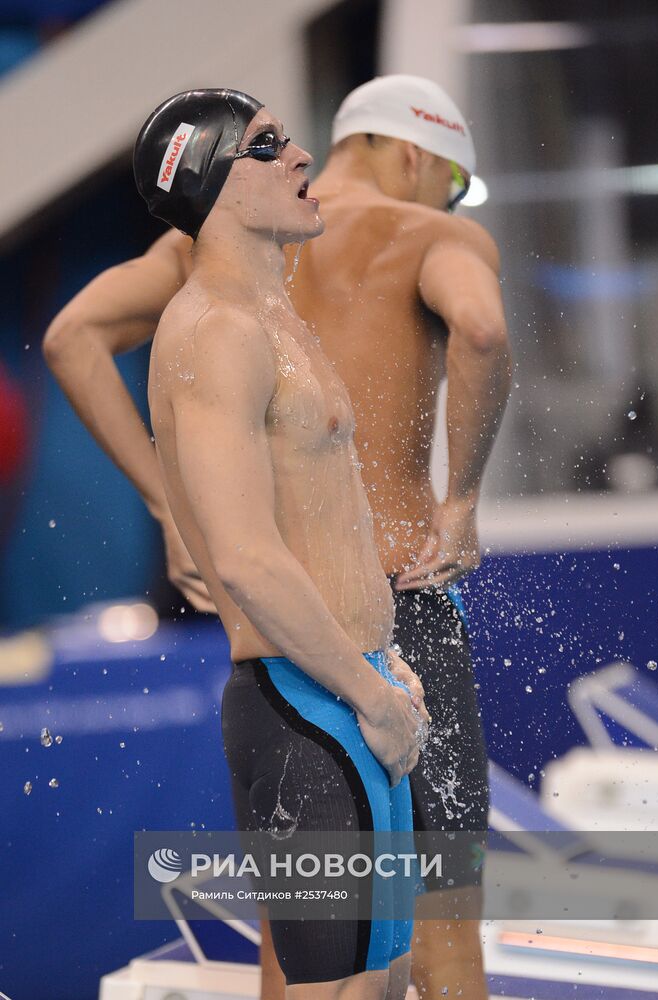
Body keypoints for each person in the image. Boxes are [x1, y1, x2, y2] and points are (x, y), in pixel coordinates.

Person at [44, 76, 512, 999]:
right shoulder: (414, 240)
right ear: (413, 154)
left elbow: (72, 337)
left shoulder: (247, 278)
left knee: (320, 950)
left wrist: (172, 505)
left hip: (349, 646)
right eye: (454, 182)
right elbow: (484, 329)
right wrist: (460, 499)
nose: (295, 159)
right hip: (348, 641)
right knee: (438, 929)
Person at [132, 87, 426, 1000]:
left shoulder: (270, 318)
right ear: (212, 183)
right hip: (307, 710)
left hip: (344, 688)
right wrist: (368, 697)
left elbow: (318, 520)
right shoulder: (216, 333)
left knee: (385, 984)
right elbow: (247, 559)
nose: (300, 155)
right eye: (266, 145)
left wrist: (382, 662)